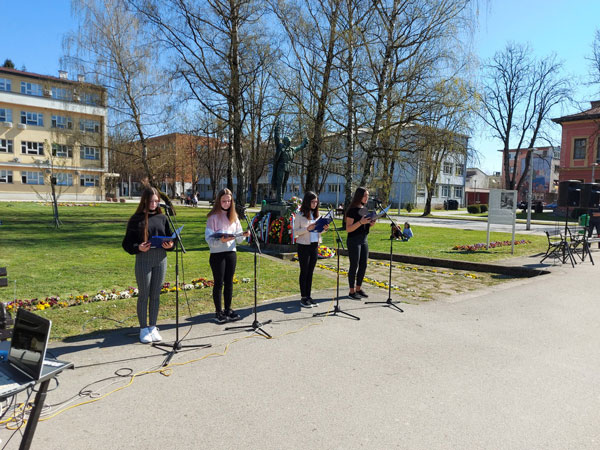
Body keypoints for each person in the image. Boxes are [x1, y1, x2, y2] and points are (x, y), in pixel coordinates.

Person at [122, 187, 174, 344]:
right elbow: (126, 244)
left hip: (160, 259)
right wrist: (138, 247)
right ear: (144, 201)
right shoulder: (136, 219)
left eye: (156, 201)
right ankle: (143, 328)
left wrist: (170, 245)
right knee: (144, 294)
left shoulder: (162, 218)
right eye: (151, 201)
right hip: (143, 259)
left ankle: (153, 326)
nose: (154, 204)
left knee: (156, 294)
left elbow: (171, 239)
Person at [205, 188, 250, 324]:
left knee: (229, 282)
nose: (226, 203)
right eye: (224, 201)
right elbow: (209, 240)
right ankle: (218, 312)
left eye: (229, 201)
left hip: (231, 253)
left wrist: (244, 235)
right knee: (219, 283)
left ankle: (228, 309)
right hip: (217, 254)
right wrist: (221, 240)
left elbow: (239, 239)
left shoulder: (234, 216)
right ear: (219, 201)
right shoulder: (213, 217)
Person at [293, 191, 329, 308]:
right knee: (304, 271)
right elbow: (295, 232)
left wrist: (324, 229)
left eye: (316, 202)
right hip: (303, 245)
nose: (315, 204)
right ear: (307, 202)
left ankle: (308, 296)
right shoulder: (300, 215)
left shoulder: (316, 215)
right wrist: (307, 229)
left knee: (311, 271)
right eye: (313, 202)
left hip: (314, 245)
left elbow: (319, 231)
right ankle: (303, 297)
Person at [345, 187, 376, 299]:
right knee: (354, 265)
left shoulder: (365, 209)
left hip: (364, 240)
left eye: (368, 195)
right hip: (354, 240)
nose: (367, 198)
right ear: (359, 196)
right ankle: (351, 291)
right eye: (365, 195)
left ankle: (358, 289)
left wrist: (370, 224)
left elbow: (364, 226)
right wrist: (360, 222)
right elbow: (348, 229)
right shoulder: (352, 210)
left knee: (363, 265)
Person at [270, 121, 308, 203]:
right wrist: (277, 129)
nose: (289, 142)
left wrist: (304, 142)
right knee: (280, 183)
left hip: (288, 168)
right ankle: (279, 198)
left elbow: (300, 147)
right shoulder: (280, 147)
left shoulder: (292, 150)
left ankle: (281, 198)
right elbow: (276, 138)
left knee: (284, 183)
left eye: (290, 141)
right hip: (281, 167)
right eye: (288, 141)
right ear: (285, 141)